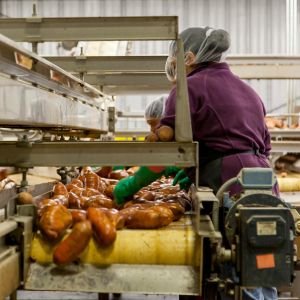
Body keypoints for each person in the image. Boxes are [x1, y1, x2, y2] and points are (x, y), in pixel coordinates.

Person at [113, 27, 278, 299]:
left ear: (188, 57)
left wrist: (131, 185)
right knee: (263, 262)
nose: (173, 67)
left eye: (175, 60)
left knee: (233, 269)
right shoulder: (249, 90)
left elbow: (168, 145)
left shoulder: (188, 87)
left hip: (229, 187)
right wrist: (192, 170)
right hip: (264, 185)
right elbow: (263, 145)